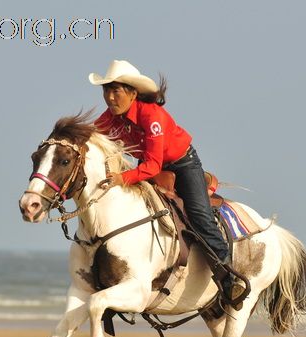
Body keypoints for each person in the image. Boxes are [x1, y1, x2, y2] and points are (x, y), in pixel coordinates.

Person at [89, 59, 243, 303]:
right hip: (151, 166)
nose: (109, 97)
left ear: (132, 93)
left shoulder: (151, 116)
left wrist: (121, 178)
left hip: (183, 165)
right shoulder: (110, 117)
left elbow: (152, 166)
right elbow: (90, 136)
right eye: (106, 90)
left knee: (199, 216)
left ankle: (229, 277)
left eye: (115, 90)